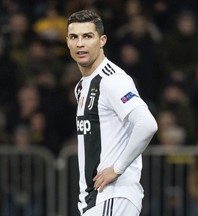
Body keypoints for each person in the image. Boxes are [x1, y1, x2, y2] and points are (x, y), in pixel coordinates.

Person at [66, 10, 158, 216]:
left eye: (87, 36)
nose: (80, 43)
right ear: (67, 42)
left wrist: (117, 168)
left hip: (114, 195)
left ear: (102, 40)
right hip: (95, 199)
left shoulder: (112, 80)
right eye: (74, 37)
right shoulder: (81, 86)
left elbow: (147, 124)